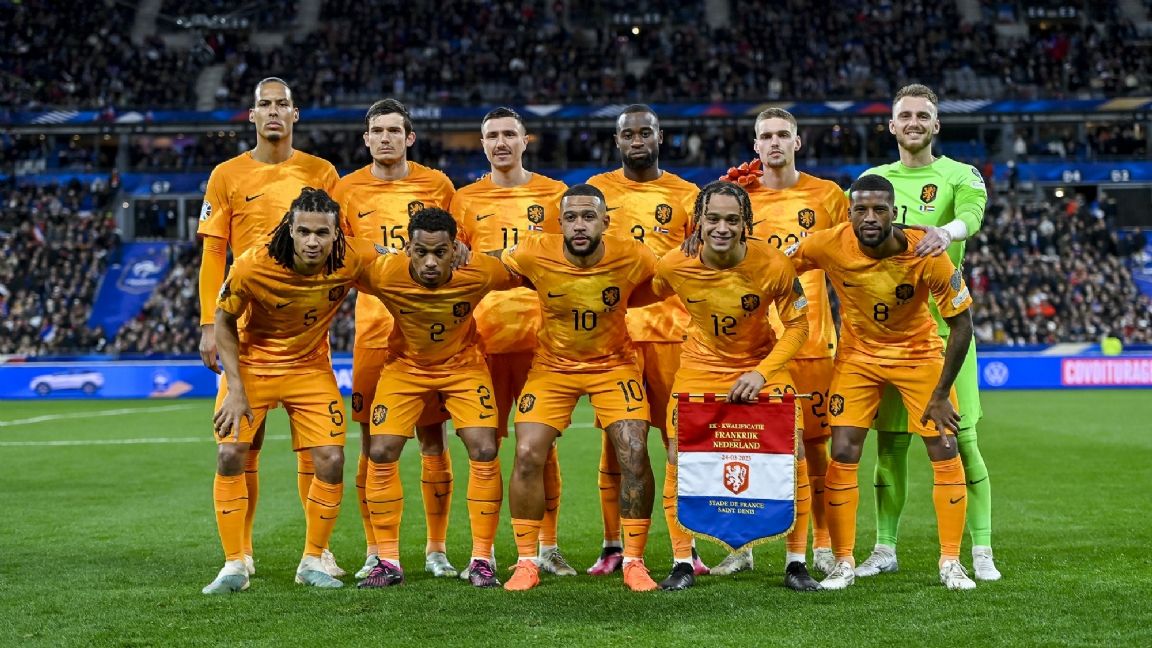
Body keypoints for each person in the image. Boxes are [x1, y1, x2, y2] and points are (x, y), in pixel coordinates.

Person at [787, 173, 977, 591]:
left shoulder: (926, 251)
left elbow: (962, 324)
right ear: (849, 213)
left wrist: (941, 394)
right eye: (861, 209)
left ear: (894, 213)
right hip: (858, 357)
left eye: (879, 209)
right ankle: (843, 562)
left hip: (918, 354)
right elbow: (777, 263)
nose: (869, 217)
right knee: (842, 451)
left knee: (945, 447)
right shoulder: (827, 243)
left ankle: (951, 561)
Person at [196, 77, 343, 580]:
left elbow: (343, 242)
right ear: (253, 115)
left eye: (282, 104)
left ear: (295, 114)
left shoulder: (321, 172)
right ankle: (239, 556)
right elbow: (214, 251)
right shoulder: (227, 174)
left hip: (306, 329)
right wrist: (208, 322)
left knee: (317, 448)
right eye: (265, 104)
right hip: (244, 328)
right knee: (241, 446)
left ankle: (318, 551)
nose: (274, 111)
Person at [856, 84, 999, 581]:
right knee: (890, 445)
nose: (914, 122)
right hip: (890, 337)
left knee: (964, 441)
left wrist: (946, 233)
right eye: (905, 115)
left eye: (923, 115)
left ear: (936, 125)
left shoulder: (959, 174)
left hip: (947, 333)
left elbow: (972, 217)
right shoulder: (875, 183)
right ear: (892, 126)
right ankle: (884, 548)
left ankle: (981, 549)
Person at [202, 187, 373, 593]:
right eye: (304, 232)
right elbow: (223, 320)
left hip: (308, 367)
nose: (313, 241)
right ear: (289, 230)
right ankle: (234, 564)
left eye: (322, 233)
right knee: (230, 453)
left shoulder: (353, 257)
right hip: (253, 364)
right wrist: (236, 390)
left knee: (331, 459)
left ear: (337, 234)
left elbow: (401, 260)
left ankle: (313, 560)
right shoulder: (252, 265)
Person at [652, 180, 816, 591]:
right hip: (700, 366)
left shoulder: (775, 265)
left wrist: (762, 372)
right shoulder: (674, 265)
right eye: (712, 219)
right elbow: (649, 290)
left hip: (760, 365)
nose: (722, 228)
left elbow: (798, 326)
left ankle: (796, 563)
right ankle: (682, 563)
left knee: (794, 450)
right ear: (698, 222)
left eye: (732, 220)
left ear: (746, 224)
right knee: (677, 454)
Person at [501, 184, 661, 592]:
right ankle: (526, 561)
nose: (579, 225)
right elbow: (493, 262)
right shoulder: (534, 251)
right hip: (552, 367)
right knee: (527, 453)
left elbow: (669, 276)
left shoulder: (634, 254)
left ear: (605, 222)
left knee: (634, 451)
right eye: (570, 217)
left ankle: (634, 561)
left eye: (588, 216)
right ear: (559, 223)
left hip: (614, 365)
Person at [710, 108, 849, 577]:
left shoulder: (828, 196)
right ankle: (740, 546)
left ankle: (823, 545)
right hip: (749, 346)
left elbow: (851, 256)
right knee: (741, 447)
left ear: (797, 142)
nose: (774, 142)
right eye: (765, 136)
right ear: (755, 145)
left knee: (816, 450)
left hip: (812, 343)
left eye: (782, 135)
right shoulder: (740, 198)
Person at [354, 208, 519, 589]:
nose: (430, 262)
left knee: (484, 447)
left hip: (463, 366)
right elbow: (342, 260)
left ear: (455, 249)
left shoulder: (479, 271)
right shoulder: (385, 272)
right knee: (381, 450)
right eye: (421, 252)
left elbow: (525, 266)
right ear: (407, 249)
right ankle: (387, 561)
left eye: (440, 252)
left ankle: (482, 559)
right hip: (405, 367)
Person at [332, 98, 460, 580]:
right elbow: (339, 256)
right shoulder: (346, 189)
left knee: (433, 438)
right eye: (377, 131)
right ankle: (375, 550)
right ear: (366, 139)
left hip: (429, 333)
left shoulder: (438, 186)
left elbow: (457, 252)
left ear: (409, 138)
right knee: (372, 443)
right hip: (372, 331)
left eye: (394, 130)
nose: (385, 138)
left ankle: (436, 549)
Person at [586, 104, 709, 578]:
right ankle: (612, 545)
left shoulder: (686, 194)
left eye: (645, 133)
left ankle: (687, 549)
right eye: (628, 134)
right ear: (617, 141)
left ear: (660, 137)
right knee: (615, 445)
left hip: (673, 334)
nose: (637, 140)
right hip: (614, 338)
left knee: (680, 442)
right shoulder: (597, 190)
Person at [450, 107, 571, 578]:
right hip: (482, 342)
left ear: (525, 140)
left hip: (543, 342)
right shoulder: (463, 200)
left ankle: (548, 547)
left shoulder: (554, 195)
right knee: (483, 449)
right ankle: (483, 552)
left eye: (509, 135)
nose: (501, 143)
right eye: (492, 136)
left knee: (543, 448)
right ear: (483, 144)